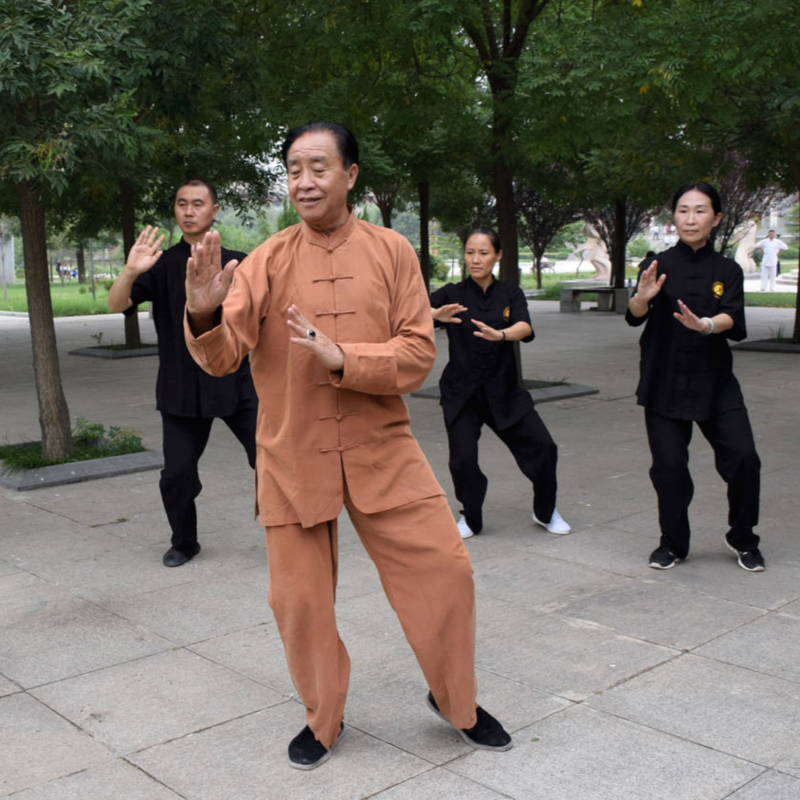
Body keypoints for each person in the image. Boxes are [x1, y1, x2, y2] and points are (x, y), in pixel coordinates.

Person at [182, 122, 512, 769]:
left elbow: (418, 354)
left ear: (351, 175)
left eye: (319, 167)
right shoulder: (266, 261)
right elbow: (222, 359)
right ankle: (324, 717)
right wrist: (201, 311)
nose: (304, 181)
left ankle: (456, 702)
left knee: (447, 572)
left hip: (381, 448)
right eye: (294, 169)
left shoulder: (392, 253)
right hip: (292, 453)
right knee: (297, 601)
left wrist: (344, 358)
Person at [107, 180, 258, 568]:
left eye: (198, 203)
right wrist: (129, 269)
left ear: (214, 210)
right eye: (181, 204)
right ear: (175, 211)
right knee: (176, 475)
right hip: (179, 387)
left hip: (234, 382)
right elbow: (116, 304)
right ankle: (184, 542)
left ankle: (289, 531)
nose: (189, 210)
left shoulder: (237, 262)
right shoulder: (159, 265)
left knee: (272, 460)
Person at [626, 181, 764, 572]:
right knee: (668, 467)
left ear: (716, 218)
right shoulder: (657, 265)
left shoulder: (727, 270)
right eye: (683, 210)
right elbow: (635, 314)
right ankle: (673, 542)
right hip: (664, 379)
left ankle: (743, 537)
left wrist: (704, 324)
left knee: (744, 459)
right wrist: (642, 296)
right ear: (674, 217)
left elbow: (733, 319)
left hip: (715, 381)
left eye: (700, 210)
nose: (691, 218)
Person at [430, 228, 570, 539]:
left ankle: (545, 511)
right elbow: (413, 312)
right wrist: (433, 313)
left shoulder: (510, 293)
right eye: (469, 252)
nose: (475, 259)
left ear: (498, 255)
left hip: (503, 390)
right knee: (462, 460)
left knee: (544, 448)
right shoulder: (451, 293)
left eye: (483, 253)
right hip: (462, 392)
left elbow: (524, 326)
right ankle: (471, 516)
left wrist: (501, 334)